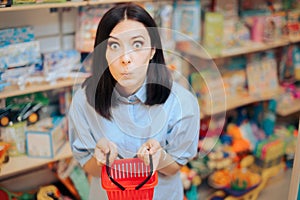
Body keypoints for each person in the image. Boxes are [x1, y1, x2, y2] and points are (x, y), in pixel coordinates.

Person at [68, 3, 200, 200]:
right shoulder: (84, 100)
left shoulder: (182, 102)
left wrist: (160, 158)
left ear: (152, 50)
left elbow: (174, 168)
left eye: (137, 45)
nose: (125, 58)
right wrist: (100, 161)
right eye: (114, 46)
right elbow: (91, 169)